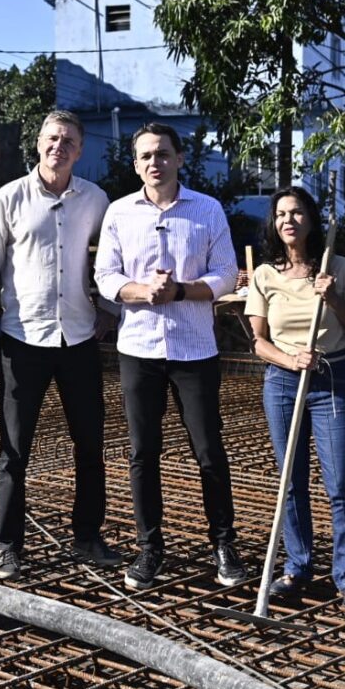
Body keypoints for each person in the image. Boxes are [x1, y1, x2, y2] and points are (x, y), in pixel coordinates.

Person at [0, 110, 119, 581]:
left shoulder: (96, 200)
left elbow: (112, 261)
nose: (60, 147)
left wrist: (110, 311)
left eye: (69, 141)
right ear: (38, 144)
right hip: (21, 339)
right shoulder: (10, 198)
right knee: (14, 449)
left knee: (89, 442)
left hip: (77, 338)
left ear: (80, 149)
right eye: (53, 138)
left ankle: (88, 535)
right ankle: (7, 545)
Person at [94, 122, 244, 591]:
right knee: (143, 453)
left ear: (180, 158)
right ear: (136, 164)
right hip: (139, 349)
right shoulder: (119, 212)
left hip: (194, 349)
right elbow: (105, 275)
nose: (153, 163)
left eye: (162, 154)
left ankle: (224, 545)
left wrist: (180, 290)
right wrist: (142, 291)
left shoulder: (207, 209)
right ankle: (150, 547)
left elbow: (228, 274)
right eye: (144, 156)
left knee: (208, 452)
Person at [245, 186, 345, 617]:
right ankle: (298, 565)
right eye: (281, 214)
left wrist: (333, 298)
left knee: (339, 483)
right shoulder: (266, 275)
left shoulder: (338, 268)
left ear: (311, 219)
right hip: (282, 380)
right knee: (290, 481)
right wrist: (290, 358)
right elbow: (258, 342)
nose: (288, 221)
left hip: (331, 377)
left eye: (297, 213)